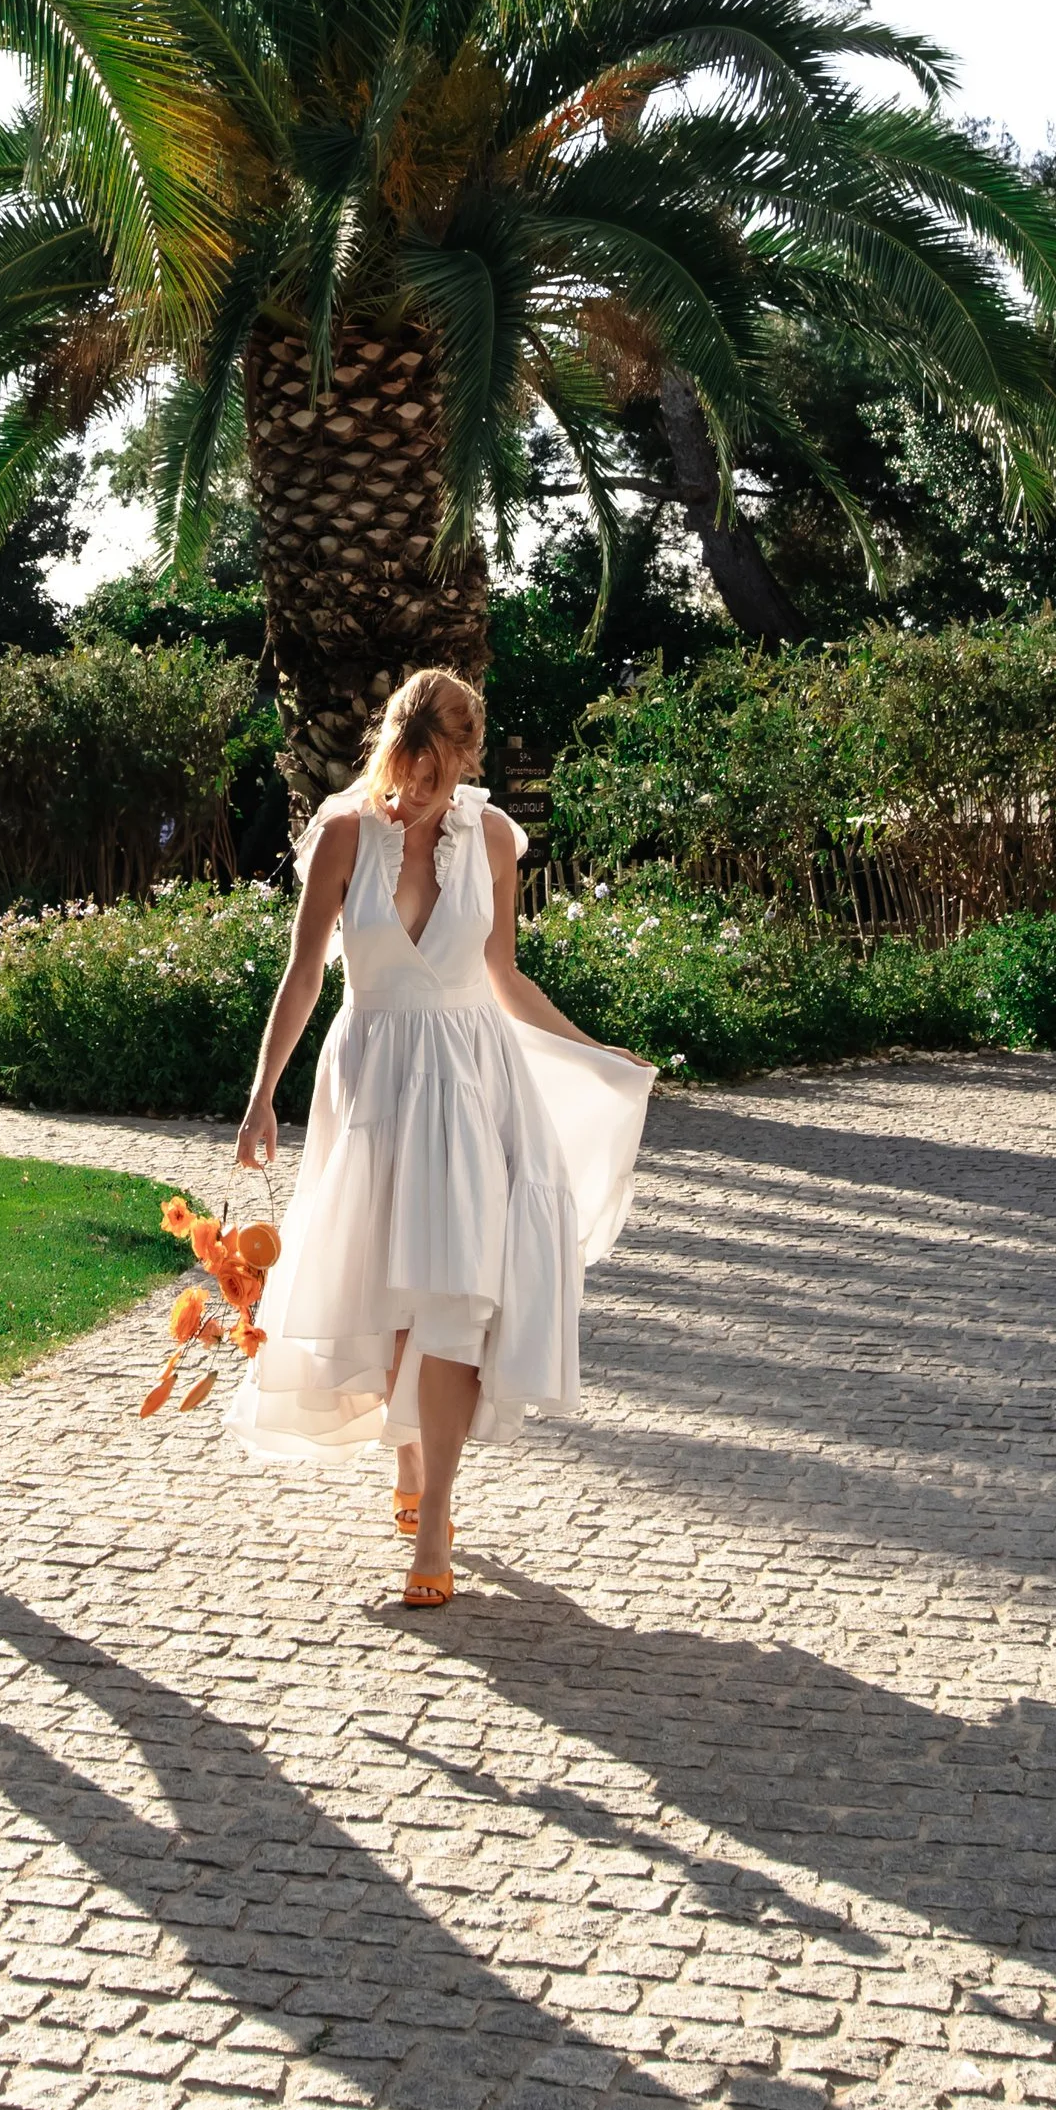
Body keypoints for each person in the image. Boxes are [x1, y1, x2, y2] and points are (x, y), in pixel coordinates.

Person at [227, 666, 653, 1607]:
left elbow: (502, 971)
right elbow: (303, 977)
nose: (424, 788)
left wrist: (591, 1049)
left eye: (443, 769)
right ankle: (410, 1462)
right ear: (393, 748)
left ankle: (435, 1521)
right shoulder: (342, 834)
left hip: (469, 1084)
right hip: (372, 1078)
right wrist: (263, 1095)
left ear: (467, 755)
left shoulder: (493, 835)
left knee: (456, 1296)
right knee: (386, 1290)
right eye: (412, 767)